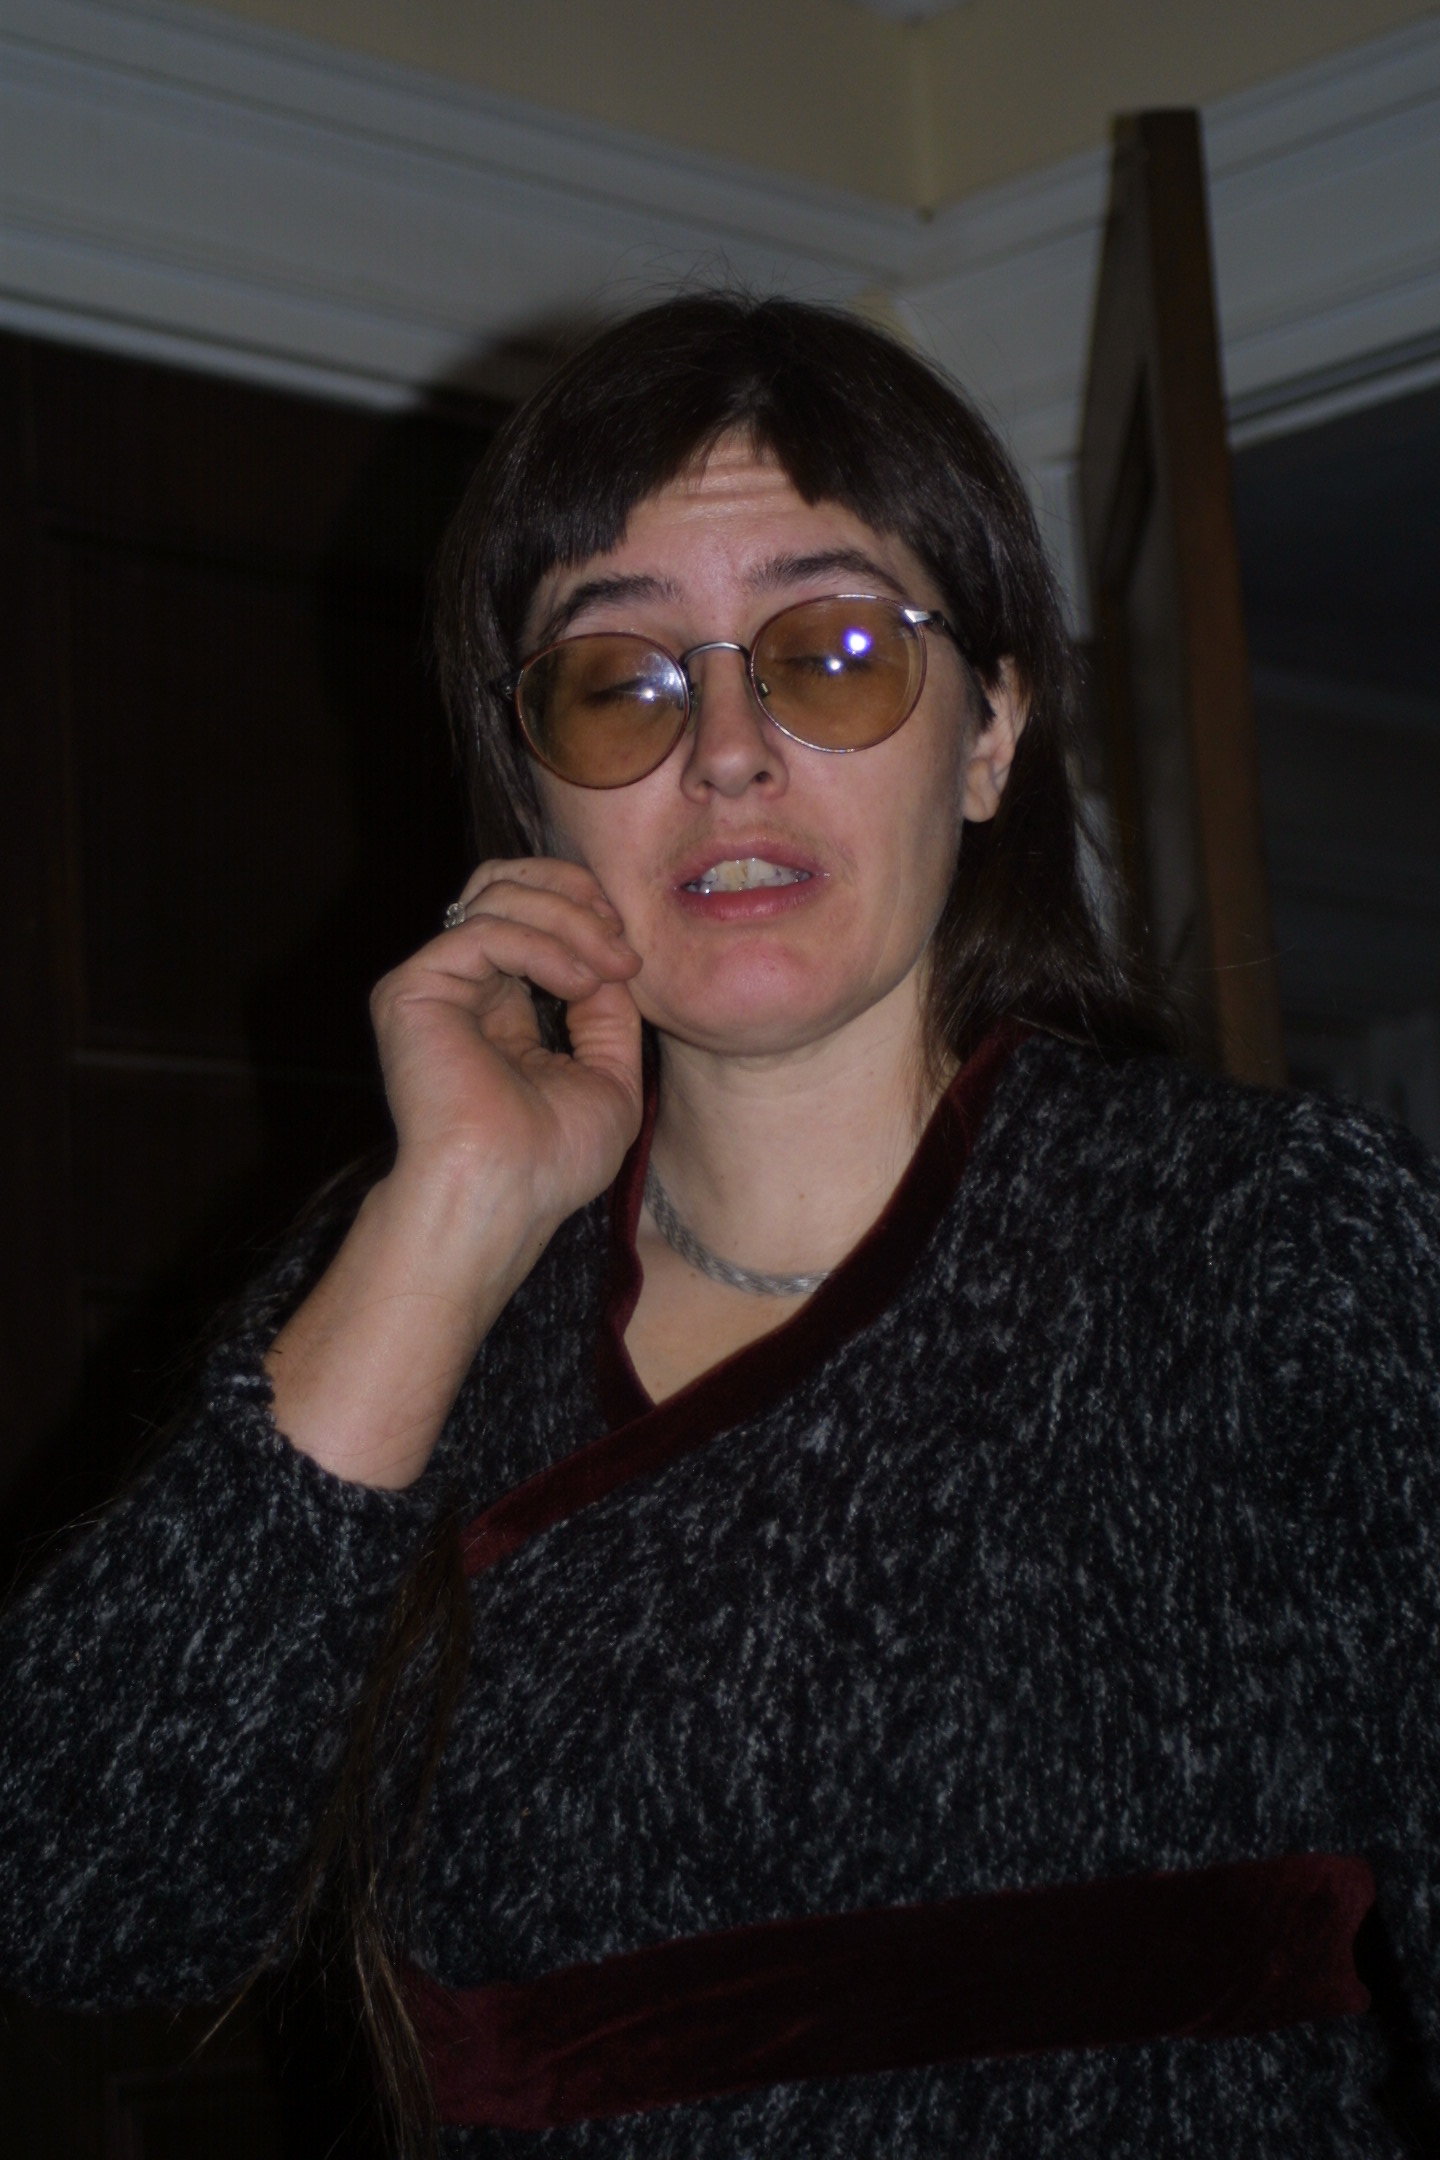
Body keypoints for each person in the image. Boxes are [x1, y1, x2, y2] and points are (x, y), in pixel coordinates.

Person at [1, 292, 1438, 2160]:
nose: (730, 753)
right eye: (622, 682)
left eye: (832, 653)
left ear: (990, 732)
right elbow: (79, 1897)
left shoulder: (1283, 1245)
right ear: (534, 789)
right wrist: (450, 1219)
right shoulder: (408, 1288)